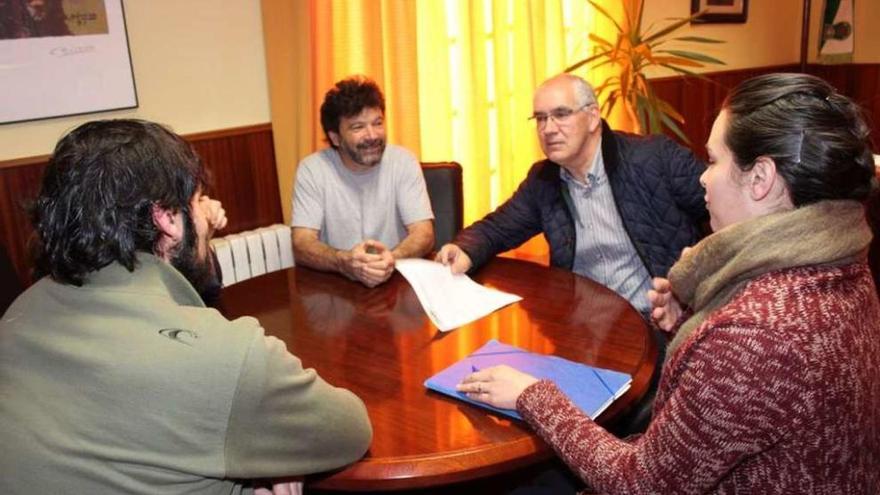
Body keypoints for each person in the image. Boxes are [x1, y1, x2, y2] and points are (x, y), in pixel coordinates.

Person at [456, 73, 880, 493]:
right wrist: (695, 318)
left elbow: (640, 483)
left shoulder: (753, 334)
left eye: (713, 161)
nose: (702, 177)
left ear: (761, 178)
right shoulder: (844, 267)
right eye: (540, 119)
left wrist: (532, 395)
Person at [0, 119, 372, 495]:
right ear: (166, 219)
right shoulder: (226, 356)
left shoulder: (18, 315)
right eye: (197, 201)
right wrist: (269, 463)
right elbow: (351, 429)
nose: (207, 217)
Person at [436, 74, 707, 318]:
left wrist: (696, 284)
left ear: (592, 117)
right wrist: (464, 248)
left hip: (657, 319)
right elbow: (499, 227)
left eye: (561, 114)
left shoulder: (654, 158)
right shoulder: (544, 180)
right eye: (540, 118)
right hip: (581, 324)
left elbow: (723, 209)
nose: (548, 129)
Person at [292, 76, 434, 288]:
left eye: (377, 123)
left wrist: (391, 259)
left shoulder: (403, 161)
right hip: (338, 288)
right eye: (358, 127)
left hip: (397, 283)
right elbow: (302, 244)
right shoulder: (312, 170)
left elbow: (424, 234)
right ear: (335, 138)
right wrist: (344, 261)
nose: (372, 135)